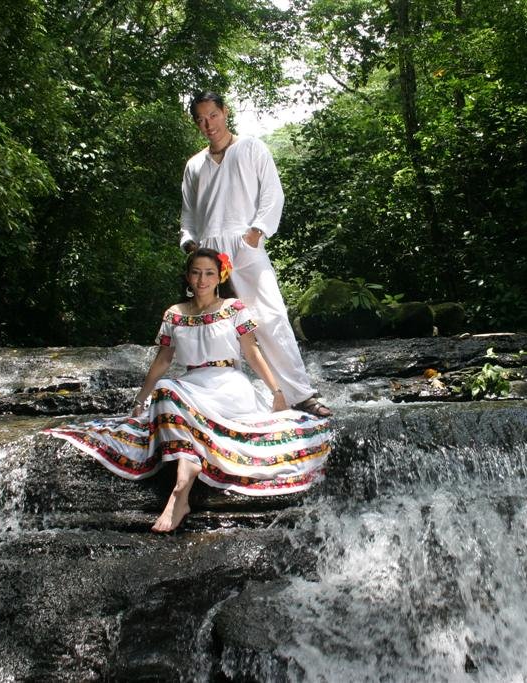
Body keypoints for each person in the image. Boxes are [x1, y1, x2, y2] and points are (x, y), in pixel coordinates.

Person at [44, 248, 332, 532]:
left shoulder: (234, 309)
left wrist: (277, 392)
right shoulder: (174, 314)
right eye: (196, 273)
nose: (202, 279)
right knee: (166, 388)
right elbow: (163, 360)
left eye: (209, 273)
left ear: (220, 276)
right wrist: (140, 399)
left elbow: (253, 353)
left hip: (230, 384)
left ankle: (181, 489)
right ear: (187, 277)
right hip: (192, 384)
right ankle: (186, 474)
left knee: (169, 391)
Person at [179, 90, 332, 418]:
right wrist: (191, 244)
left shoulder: (251, 148)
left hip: (246, 248)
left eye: (213, 116)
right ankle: (215, 404)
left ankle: (300, 394)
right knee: (211, 326)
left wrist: (256, 232)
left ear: (225, 112)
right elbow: (189, 214)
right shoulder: (194, 166)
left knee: (272, 316)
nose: (208, 125)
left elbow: (272, 194)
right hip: (207, 254)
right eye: (201, 120)